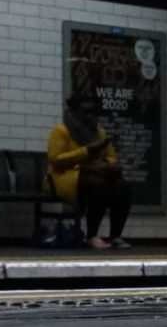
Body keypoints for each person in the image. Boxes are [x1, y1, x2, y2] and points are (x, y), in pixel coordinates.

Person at [48, 91, 132, 248]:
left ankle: (116, 236)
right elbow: (56, 160)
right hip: (66, 177)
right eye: (85, 112)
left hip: (95, 173)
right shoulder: (60, 131)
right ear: (74, 112)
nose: (89, 116)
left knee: (123, 187)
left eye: (92, 112)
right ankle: (92, 235)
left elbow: (112, 157)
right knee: (99, 186)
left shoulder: (99, 132)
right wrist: (85, 152)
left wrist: (104, 162)